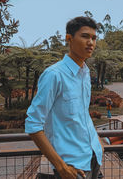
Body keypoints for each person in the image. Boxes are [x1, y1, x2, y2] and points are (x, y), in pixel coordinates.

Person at [25, 16, 103, 179]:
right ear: (69, 39)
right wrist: (61, 167)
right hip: (71, 167)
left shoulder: (85, 72)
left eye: (94, 38)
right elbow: (33, 123)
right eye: (85, 36)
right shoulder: (54, 75)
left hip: (93, 158)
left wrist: (97, 142)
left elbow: (82, 113)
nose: (91, 42)